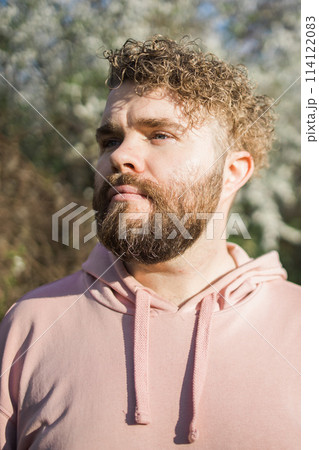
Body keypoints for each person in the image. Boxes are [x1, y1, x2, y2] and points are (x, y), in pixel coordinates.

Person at [0, 36, 300, 449]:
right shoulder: (29, 325)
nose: (119, 156)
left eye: (158, 134)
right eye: (109, 140)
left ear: (232, 172)